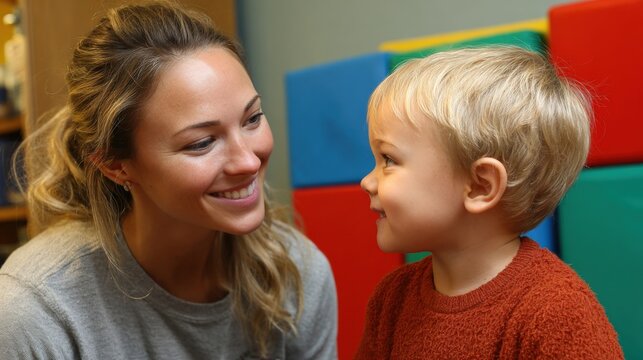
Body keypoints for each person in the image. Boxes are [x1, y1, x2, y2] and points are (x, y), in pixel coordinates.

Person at [0, 2, 337, 359]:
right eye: (201, 142)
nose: (248, 160)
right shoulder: (35, 309)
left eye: (252, 119)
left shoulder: (298, 274)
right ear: (115, 165)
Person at [355, 46, 623, 359]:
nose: (366, 182)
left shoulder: (556, 312)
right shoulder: (391, 301)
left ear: (481, 186)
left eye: (388, 159)